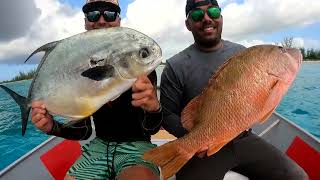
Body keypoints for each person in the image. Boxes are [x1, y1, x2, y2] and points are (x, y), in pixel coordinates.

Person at [160, 0, 308, 179]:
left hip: (243, 138)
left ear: (221, 17)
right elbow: (167, 116)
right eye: (198, 15)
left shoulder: (243, 54)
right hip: (204, 149)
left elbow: (261, 108)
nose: (207, 19)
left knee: (297, 176)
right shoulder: (175, 65)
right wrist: (196, 140)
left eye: (213, 12)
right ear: (188, 24)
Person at [31, 0, 162, 180]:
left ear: (118, 20)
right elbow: (83, 132)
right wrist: (51, 127)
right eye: (93, 13)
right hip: (98, 146)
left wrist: (154, 108)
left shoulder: (141, 68)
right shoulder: (75, 65)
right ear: (85, 22)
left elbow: (152, 129)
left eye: (109, 13)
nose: (101, 20)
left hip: (137, 146)